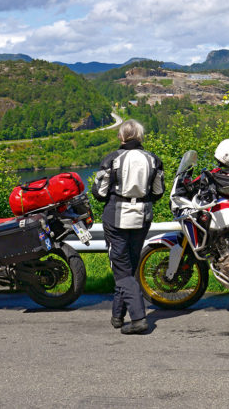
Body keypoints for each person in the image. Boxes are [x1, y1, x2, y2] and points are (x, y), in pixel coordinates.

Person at [91, 119, 164, 335]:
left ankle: (139, 318)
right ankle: (117, 315)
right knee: (128, 266)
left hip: (116, 216)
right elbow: (158, 192)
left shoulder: (112, 159)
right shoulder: (153, 159)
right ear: (140, 137)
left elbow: (99, 193)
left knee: (121, 268)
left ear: (121, 137)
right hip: (142, 216)